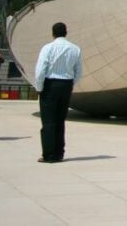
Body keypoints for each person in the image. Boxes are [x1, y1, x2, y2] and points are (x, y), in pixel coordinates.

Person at [34, 22, 82, 163]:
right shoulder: (75, 49)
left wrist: (39, 87)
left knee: (48, 121)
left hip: (50, 85)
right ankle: (59, 153)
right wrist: (71, 84)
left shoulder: (48, 48)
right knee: (60, 121)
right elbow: (78, 72)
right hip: (66, 85)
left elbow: (41, 70)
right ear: (66, 32)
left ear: (53, 33)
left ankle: (49, 155)